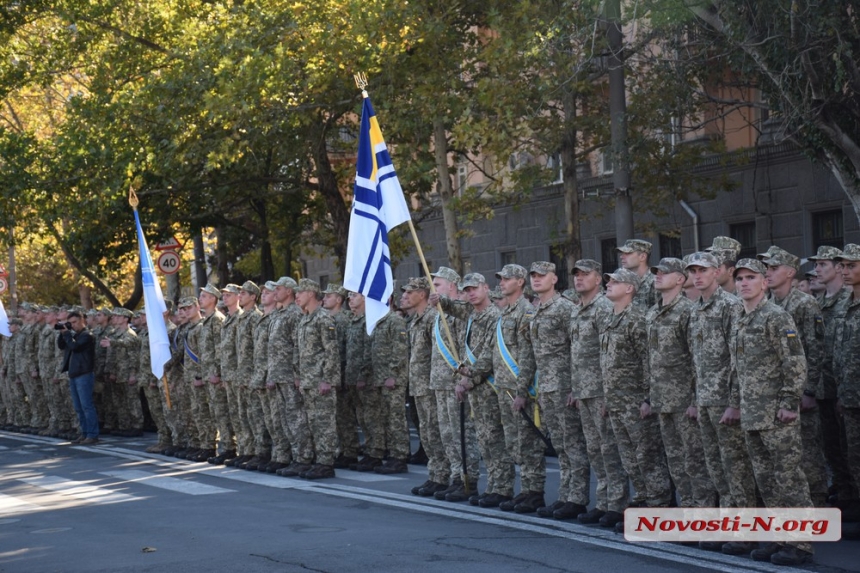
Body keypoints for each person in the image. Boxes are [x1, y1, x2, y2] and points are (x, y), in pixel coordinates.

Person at [731, 258, 815, 565]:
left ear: (764, 283)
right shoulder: (741, 319)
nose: (744, 283)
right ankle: (780, 537)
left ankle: (801, 543)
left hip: (777, 414)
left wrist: (789, 403)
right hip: (753, 413)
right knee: (765, 480)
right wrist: (736, 404)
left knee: (788, 478)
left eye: (751, 277)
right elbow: (737, 369)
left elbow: (794, 362)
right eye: (739, 278)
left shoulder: (776, 317)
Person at [685, 251, 757, 555]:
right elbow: (694, 360)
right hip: (705, 400)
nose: (698, 276)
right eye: (694, 271)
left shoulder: (730, 306)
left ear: (717, 272)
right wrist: (693, 399)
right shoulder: (696, 309)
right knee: (715, 467)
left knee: (736, 468)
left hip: (726, 401)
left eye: (703, 270)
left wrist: (736, 401)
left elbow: (740, 357)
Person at [600, 267, 672, 528]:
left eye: (615, 281)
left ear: (630, 288)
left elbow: (647, 361)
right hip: (617, 400)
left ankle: (659, 505)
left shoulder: (636, 319)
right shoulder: (610, 317)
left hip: (635, 400)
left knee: (647, 455)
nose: (608, 284)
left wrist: (647, 398)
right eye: (608, 281)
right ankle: (642, 500)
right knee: (629, 456)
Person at [759, 247, 828, 507]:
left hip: (801, 391)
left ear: (790, 273)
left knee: (807, 447)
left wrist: (809, 391)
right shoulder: (770, 304)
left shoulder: (804, 303)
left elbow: (816, 350)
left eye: (774, 268)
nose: (769, 273)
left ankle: (818, 500)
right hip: (778, 391)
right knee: (785, 454)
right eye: (767, 269)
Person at [645, 258, 715, 508]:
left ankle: (704, 512)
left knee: (694, 460)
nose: (658, 276)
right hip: (662, 399)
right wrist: (649, 397)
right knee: (675, 460)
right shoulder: (653, 312)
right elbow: (650, 358)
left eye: (664, 273)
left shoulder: (688, 311)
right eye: (656, 272)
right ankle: (686, 510)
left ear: (679, 279)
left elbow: (697, 358)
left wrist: (696, 400)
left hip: (685, 400)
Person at [525, 261, 589, 515]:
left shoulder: (564, 308)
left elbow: (577, 348)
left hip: (564, 386)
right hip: (547, 387)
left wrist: (575, 386)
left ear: (554, 279)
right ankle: (565, 495)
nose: (537, 279)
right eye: (533, 275)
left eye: (542, 275)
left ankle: (578, 498)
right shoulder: (537, 309)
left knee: (573, 443)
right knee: (560, 445)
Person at [568, 260, 627, 526]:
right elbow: (576, 353)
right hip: (584, 389)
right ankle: (603, 502)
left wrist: (608, 392)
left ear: (598, 280)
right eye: (576, 275)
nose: (579, 279)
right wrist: (576, 388)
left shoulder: (603, 308)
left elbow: (608, 353)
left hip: (601, 390)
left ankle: (617, 504)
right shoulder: (578, 310)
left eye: (585, 275)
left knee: (609, 448)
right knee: (595, 449)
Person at [809, 246, 856, 509]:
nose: (817, 269)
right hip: (828, 387)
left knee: (851, 449)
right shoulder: (822, 303)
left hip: (848, 389)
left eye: (823, 264)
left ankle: (852, 496)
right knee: (833, 446)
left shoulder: (848, 300)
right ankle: (845, 494)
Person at [294, 278, 341, 480]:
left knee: (324, 422)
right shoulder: (305, 319)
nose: (296, 296)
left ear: (311, 294)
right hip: (308, 380)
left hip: (321, 380)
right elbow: (301, 352)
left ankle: (326, 462)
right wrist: (298, 376)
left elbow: (331, 351)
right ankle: (317, 459)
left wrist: (327, 379)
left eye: (300, 292)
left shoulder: (323, 318)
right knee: (312, 422)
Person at [833, 245, 860, 522]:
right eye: (843, 266)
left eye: (852, 265)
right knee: (854, 460)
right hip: (850, 397)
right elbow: (840, 354)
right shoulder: (844, 305)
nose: (845, 271)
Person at [58, 311, 99, 445]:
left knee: (87, 405)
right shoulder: (74, 335)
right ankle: (84, 433)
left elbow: (75, 347)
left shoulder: (88, 335)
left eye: (75, 322)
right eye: (71, 323)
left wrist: (68, 335)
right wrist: (62, 333)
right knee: (78, 407)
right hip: (74, 374)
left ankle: (92, 434)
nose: (73, 325)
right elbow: (61, 346)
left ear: (83, 321)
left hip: (84, 373)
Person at [617, 239, 657, 310]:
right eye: (622, 253)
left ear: (642, 257)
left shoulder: (655, 281)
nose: (621, 257)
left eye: (628, 253)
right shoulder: (624, 280)